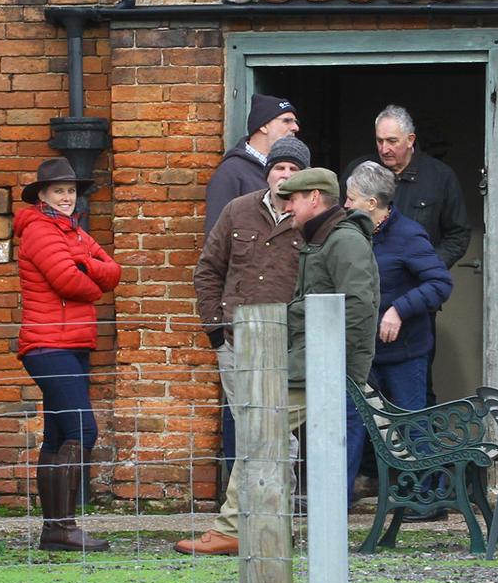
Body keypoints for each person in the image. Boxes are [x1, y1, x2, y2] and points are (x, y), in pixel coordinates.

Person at [178, 167, 377, 555]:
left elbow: (358, 307)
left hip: (323, 365)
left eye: (294, 200)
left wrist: (330, 365)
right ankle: (264, 526)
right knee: (260, 424)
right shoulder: (322, 239)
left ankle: (236, 527)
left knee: (261, 423)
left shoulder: (343, 242)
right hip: (309, 361)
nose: (288, 207)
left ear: (314, 198)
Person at [192, 135, 309, 519]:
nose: (285, 176)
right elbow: (209, 269)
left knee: (276, 429)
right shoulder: (237, 211)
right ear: (267, 172)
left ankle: (275, 515)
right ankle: (252, 518)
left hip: (284, 344)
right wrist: (214, 328)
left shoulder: (311, 220)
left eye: (294, 170)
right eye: (279, 168)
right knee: (249, 427)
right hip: (235, 338)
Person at [15, 156, 123, 553]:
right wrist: (90, 276)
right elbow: (70, 282)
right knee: (83, 430)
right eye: (58, 190)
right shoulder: (39, 231)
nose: (66, 197)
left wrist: (86, 266)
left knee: (59, 434)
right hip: (48, 345)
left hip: (72, 343)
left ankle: (55, 530)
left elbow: (115, 270)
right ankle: (62, 526)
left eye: (71, 191)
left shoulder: (74, 231)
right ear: (42, 195)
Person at [342, 161, 451, 496]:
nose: (345, 204)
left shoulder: (408, 236)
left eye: (351, 198)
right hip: (361, 351)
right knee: (349, 423)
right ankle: (336, 501)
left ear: (372, 204)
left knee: (410, 423)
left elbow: (439, 282)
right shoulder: (350, 233)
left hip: (404, 351)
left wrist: (399, 310)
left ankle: (427, 498)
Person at [344, 105, 470, 268]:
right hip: (368, 277)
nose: (384, 149)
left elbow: (458, 234)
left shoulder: (440, 176)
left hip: (418, 280)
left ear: (410, 140)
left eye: (392, 141)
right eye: (379, 140)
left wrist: (430, 266)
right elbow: (340, 221)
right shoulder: (358, 170)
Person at [203, 92, 300, 232]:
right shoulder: (231, 172)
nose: (295, 128)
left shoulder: (296, 169)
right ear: (263, 126)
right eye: (286, 121)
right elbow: (216, 237)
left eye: (295, 122)